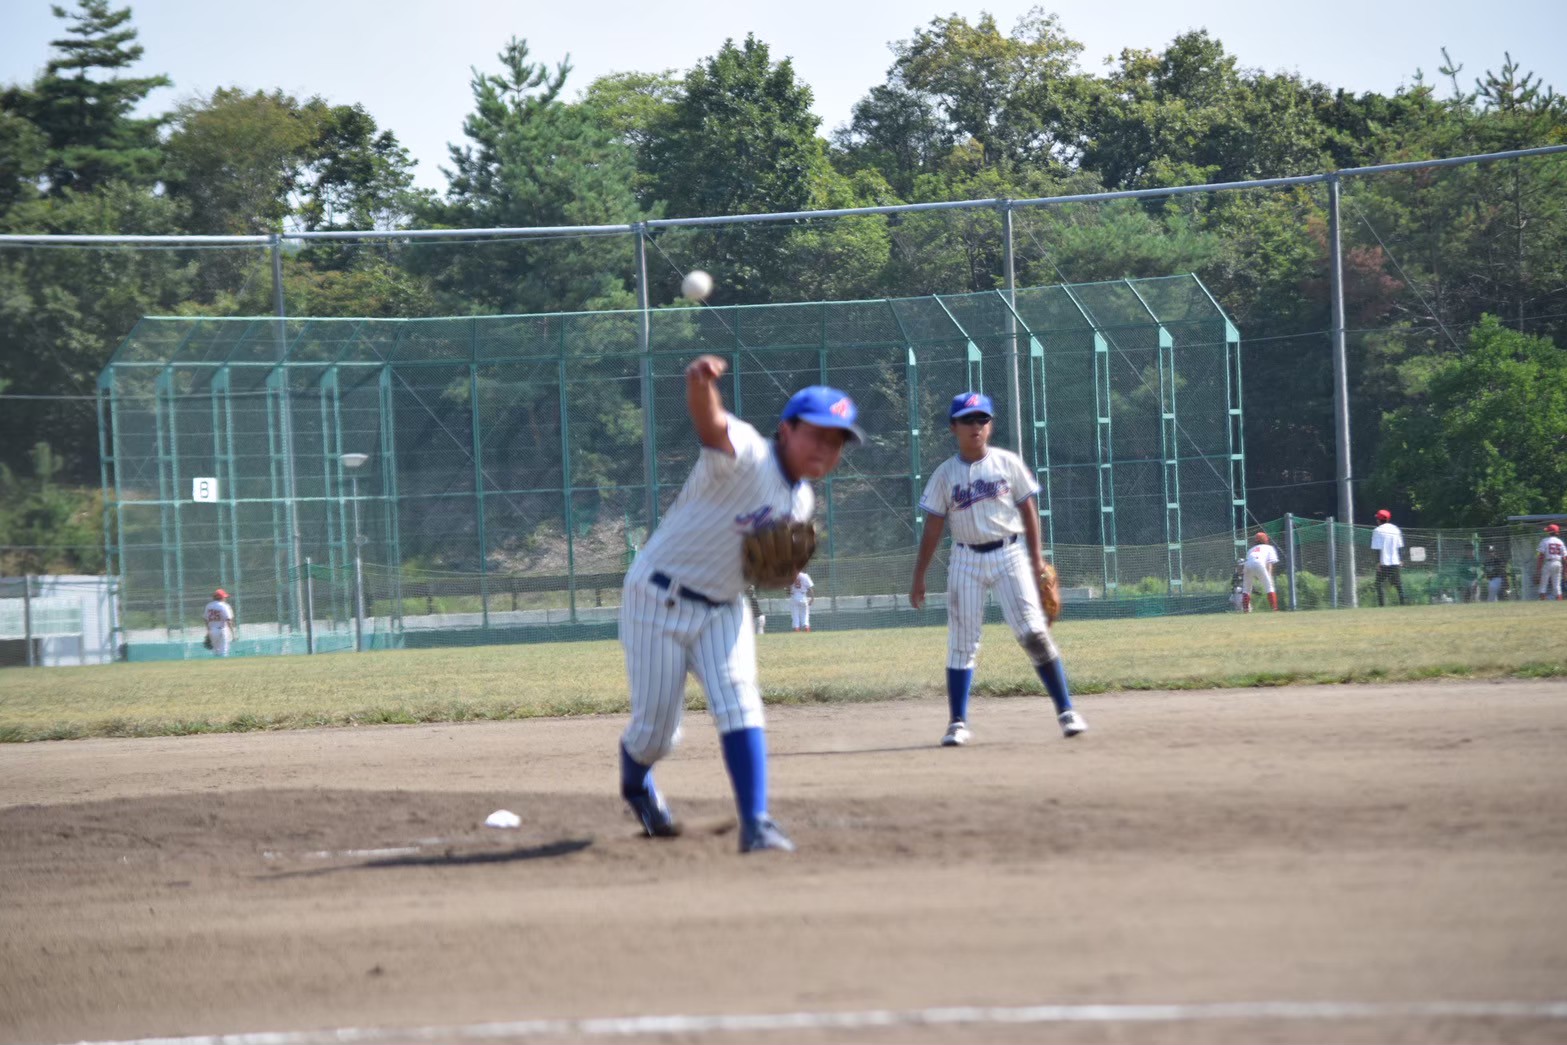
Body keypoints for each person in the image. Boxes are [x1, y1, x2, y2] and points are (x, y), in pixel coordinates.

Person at [617, 355, 864, 854]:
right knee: (656, 735)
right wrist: (699, 382)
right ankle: (636, 784)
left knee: (740, 699)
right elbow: (711, 423)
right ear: (786, 430)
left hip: (724, 608)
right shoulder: (748, 452)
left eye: (837, 440)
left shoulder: (802, 502)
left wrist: (781, 574)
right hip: (657, 596)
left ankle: (757, 823)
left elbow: (763, 568)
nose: (826, 447)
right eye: (817, 434)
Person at [910, 391, 1087, 748]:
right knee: (962, 643)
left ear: (990, 426)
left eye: (982, 419)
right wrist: (919, 576)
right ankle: (957, 723)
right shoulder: (944, 475)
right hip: (965, 559)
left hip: (1010, 555)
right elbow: (932, 527)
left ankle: (1067, 711)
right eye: (967, 420)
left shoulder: (1008, 463)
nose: (975, 425)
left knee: (1033, 633)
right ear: (953, 427)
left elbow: (1028, 511)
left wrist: (1036, 560)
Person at [1370, 509, 1406, 606]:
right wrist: (1401, 559)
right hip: (1395, 561)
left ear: (1378, 520)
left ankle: (1382, 605)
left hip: (1383, 562)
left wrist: (1377, 562)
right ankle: (1403, 604)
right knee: (1398, 584)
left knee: (1379, 584)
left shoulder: (1377, 530)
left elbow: (1377, 548)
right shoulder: (1395, 529)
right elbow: (1400, 546)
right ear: (1388, 519)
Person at [1240, 531, 1280, 612]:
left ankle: (1245, 609)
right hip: (1259, 564)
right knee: (1269, 587)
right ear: (1265, 539)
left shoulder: (1251, 550)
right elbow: (1269, 564)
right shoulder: (1269, 548)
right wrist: (1269, 576)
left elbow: (1249, 562)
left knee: (1246, 589)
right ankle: (1274, 609)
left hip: (1247, 565)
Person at [1537, 523, 1566, 601]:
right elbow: (1565, 558)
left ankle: (1543, 602)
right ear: (1557, 532)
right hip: (1558, 563)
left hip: (1548, 562)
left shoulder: (1545, 541)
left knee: (1543, 584)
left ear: (1549, 532)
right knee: (1557, 586)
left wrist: (1538, 569)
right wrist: (1565, 571)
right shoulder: (1560, 542)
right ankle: (1559, 602)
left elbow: (1541, 556)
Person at [203, 589, 235, 657]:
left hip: (212, 630)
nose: (225, 598)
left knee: (215, 652)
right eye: (224, 597)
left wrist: (208, 631)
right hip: (222, 630)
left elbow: (205, 619)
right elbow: (228, 620)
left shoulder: (208, 606)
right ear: (221, 597)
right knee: (224, 652)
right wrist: (233, 633)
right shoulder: (224, 606)